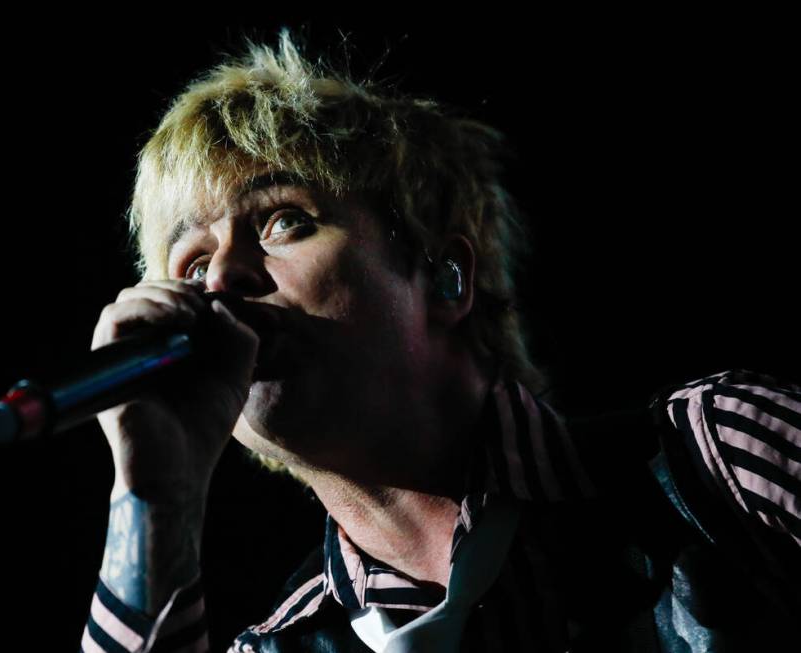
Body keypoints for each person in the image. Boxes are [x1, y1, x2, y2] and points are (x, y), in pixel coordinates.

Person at [79, 31, 800, 653]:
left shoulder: (713, 463)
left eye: (283, 221)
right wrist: (155, 490)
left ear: (445, 276)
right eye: (193, 264)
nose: (222, 279)